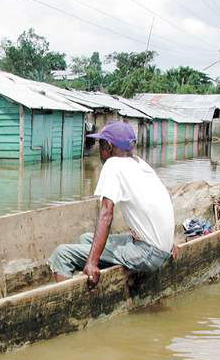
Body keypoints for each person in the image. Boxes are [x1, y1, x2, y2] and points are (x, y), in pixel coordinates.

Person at [48, 121, 174, 288]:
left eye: (101, 145)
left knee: (61, 255)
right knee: (85, 239)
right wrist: (168, 241)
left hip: (148, 253)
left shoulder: (113, 165)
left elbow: (106, 214)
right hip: (162, 248)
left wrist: (92, 263)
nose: (99, 151)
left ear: (108, 146)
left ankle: (70, 305)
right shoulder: (141, 164)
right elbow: (161, 202)